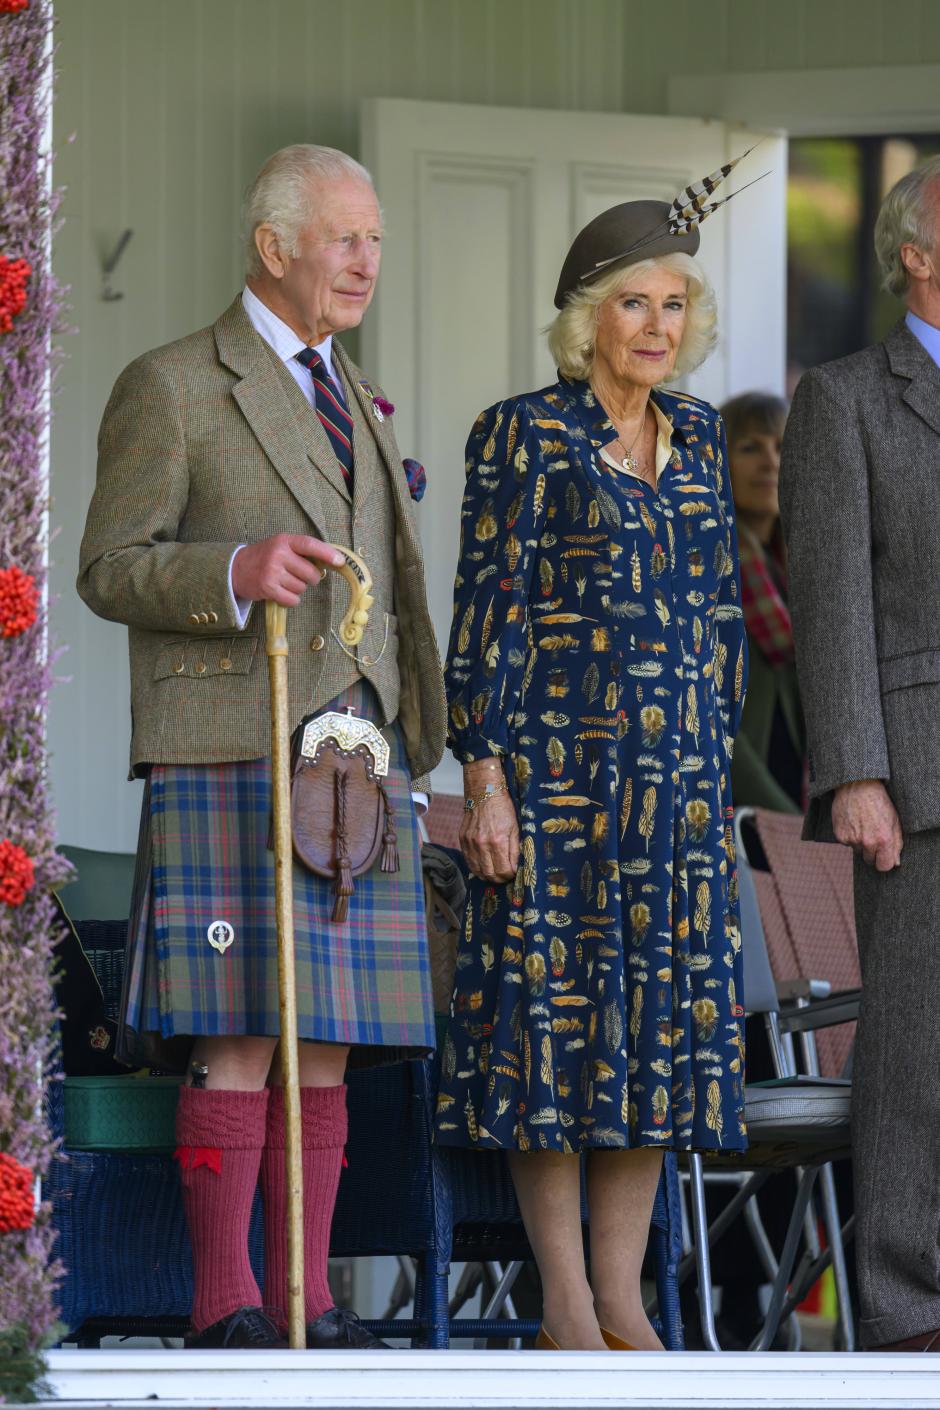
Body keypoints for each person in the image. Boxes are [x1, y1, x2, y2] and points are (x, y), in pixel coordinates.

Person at [77, 144, 445, 1350]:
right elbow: (108, 565)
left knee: (327, 1038)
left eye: (374, 239)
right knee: (239, 1030)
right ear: (272, 246)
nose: (364, 260)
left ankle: (308, 1296)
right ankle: (223, 1301)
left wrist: (415, 735)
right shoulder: (175, 382)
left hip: (355, 759)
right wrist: (232, 571)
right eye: (341, 237)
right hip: (230, 741)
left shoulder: (355, 394)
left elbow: (389, 581)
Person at [434, 190, 748, 1351]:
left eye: (674, 305)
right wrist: (487, 776)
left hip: (676, 791)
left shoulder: (704, 437)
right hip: (557, 787)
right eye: (633, 303)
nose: (657, 326)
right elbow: (486, 617)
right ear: (586, 320)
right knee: (552, 1039)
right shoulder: (520, 433)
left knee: (655, 1041)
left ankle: (624, 1297)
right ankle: (565, 1297)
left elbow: (721, 618)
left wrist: (716, 782)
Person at [780, 154, 940, 1353]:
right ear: (915, 257)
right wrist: (856, 773)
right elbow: (827, 602)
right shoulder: (844, 398)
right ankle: (900, 1310)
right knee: (917, 1061)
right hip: (918, 774)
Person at [721, 393, 805, 815]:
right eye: (750, 447)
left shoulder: (797, 561)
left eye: (781, 445)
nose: (770, 462)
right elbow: (711, 714)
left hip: (800, 783)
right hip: (744, 803)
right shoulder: (709, 564)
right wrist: (782, 815)